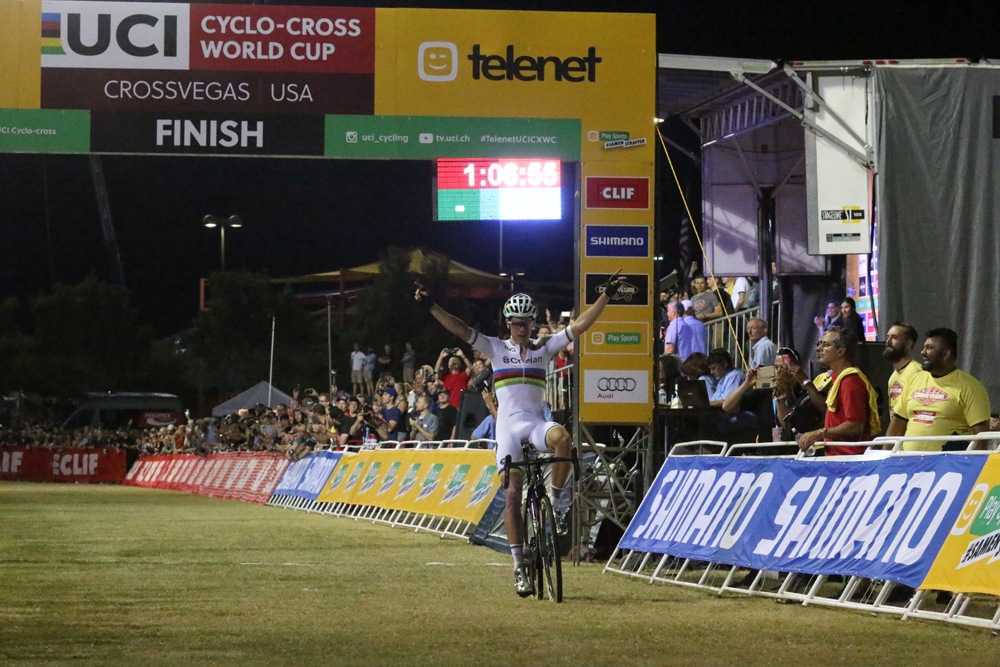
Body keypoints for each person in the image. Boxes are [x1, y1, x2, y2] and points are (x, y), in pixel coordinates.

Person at [416, 272, 622, 597]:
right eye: (515, 323)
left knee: (563, 439)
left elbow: (580, 326)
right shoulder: (495, 348)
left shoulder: (545, 348)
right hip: (508, 429)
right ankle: (518, 568)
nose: (520, 328)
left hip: (536, 424)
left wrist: (606, 295)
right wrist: (431, 306)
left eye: (525, 323)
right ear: (508, 323)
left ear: (532, 322)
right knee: (513, 495)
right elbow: (460, 329)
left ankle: (556, 503)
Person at [885, 328, 991, 451]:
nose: (923, 352)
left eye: (929, 348)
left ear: (946, 354)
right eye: (924, 347)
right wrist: (885, 456)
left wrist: (970, 462)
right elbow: (897, 423)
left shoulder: (971, 387)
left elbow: (981, 437)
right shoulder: (914, 380)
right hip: (909, 461)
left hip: (948, 462)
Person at [796, 327, 880, 456]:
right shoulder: (837, 378)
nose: (818, 348)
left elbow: (855, 426)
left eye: (826, 345)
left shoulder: (850, 381)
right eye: (819, 344)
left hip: (849, 460)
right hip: (836, 458)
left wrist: (819, 433)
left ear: (841, 351)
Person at [883, 321, 922, 417]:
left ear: (908, 344)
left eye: (894, 337)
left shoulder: (917, 373)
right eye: (887, 337)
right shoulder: (893, 376)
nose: (888, 342)